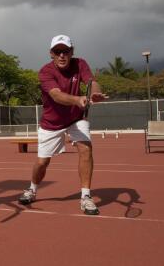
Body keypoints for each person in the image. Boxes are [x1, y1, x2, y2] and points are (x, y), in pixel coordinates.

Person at [18, 34, 107, 215]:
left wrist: (95, 94)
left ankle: (86, 197)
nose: (61, 55)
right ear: (51, 53)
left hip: (76, 118)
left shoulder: (80, 64)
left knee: (86, 149)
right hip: (52, 123)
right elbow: (57, 95)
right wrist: (78, 99)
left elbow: (92, 83)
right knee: (42, 162)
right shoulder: (45, 72)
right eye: (57, 51)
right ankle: (32, 189)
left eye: (65, 51)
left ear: (71, 52)